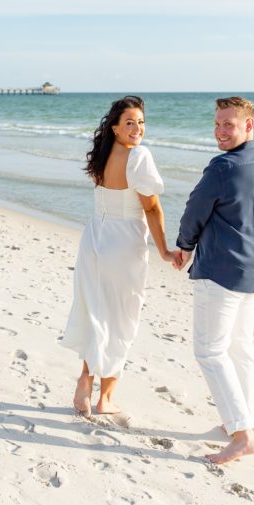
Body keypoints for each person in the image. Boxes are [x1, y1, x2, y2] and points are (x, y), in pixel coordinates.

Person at [174, 97, 254, 463]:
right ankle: (238, 420)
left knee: (210, 351)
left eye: (229, 125)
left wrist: (184, 246)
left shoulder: (222, 167)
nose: (221, 131)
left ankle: (240, 433)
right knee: (241, 348)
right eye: (218, 123)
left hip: (222, 270)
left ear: (248, 125)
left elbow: (194, 209)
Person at [62, 95, 180, 417]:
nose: (137, 128)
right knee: (121, 319)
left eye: (141, 122)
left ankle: (86, 379)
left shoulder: (102, 156)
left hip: (94, 239)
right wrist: (164, 250)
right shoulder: (138, 157)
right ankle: (106, 399)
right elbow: (152, 207)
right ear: (115, 127)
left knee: (96, 311)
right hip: (123, 242)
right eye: (129, 122)